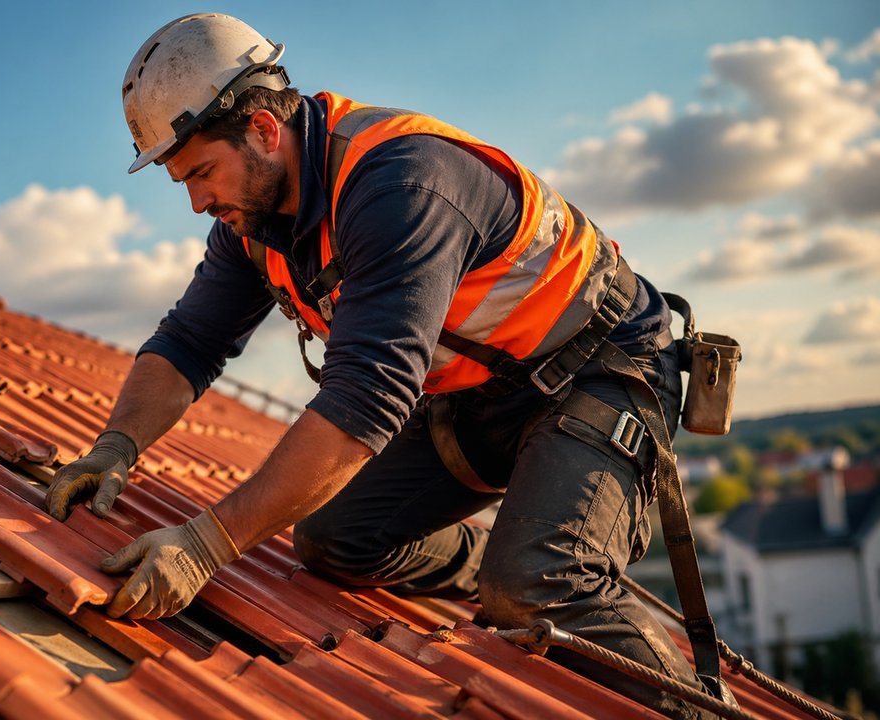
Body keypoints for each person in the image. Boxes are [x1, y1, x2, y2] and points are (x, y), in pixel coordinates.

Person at [47, 13, 708, 716]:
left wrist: (206, 546)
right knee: (333, 542)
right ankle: (501, 565)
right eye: (183, 182)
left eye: (203, 173)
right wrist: (115, 446)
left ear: (265, 131)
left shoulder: (399, 183)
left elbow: (367, 396)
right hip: (484, 398)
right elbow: (188, 342)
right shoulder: (252, 222)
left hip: (600, 372)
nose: (197, 201)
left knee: (539, 584)